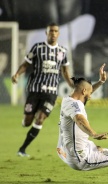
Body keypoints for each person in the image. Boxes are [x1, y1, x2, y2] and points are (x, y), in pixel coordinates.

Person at [57, 65, 108, 183]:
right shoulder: (75, 105)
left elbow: (86, 92)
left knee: (106, 151)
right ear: (84, 91)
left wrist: (101, 81)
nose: (90, 97)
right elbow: (79, 119)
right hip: (80, 158)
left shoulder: (68, 99)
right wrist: (93, 133)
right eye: (89, 93)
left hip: (69, 148)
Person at [11, 23, 74, 157]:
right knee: (28, 122)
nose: (53, 33)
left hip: (51, 93)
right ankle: (27, 118)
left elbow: (65, 71)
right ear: (46, 33)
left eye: (56, 31)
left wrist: (72, 85)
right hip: (35, 90)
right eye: (51, 31)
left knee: (40, 119)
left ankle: (22, 149)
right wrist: (17, 74)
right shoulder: (38, 48)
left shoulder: (62, 51)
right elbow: (25, 64)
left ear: (58, 34)